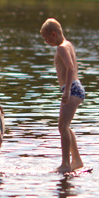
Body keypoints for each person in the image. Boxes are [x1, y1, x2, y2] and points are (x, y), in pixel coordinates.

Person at [41, 18, 85, 172]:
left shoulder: (61, 48)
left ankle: (66, 164)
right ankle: (77, 160)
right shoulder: (69, 45)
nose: (47, 43)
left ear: (54, 34)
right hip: (76, 88)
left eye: (47, 39)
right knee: (65, 126)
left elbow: (71, 68)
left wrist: (66, 91)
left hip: (71, 89)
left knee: (62, 126)